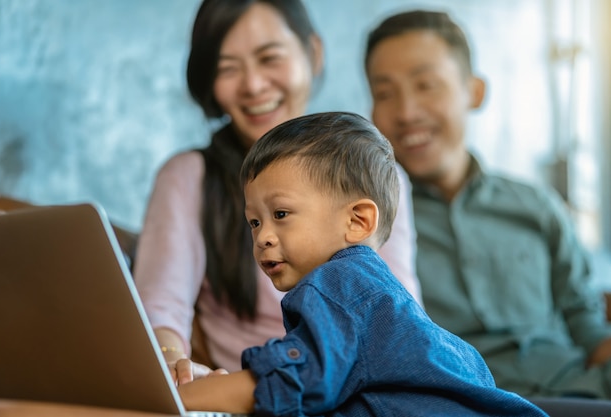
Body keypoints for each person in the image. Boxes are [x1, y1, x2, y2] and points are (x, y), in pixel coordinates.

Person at [173, 111, 546, 416]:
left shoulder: (344, 285)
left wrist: (181, 398)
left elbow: (291, 383)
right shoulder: (367, 292)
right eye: (254, 222)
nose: (263, 236)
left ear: (358, 221)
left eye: (281, 213)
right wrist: (217, 388)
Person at [133, 0, 421, 378]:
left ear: (312, 54)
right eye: (227, 68)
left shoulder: (375, 177)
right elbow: (160, 308)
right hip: (254, 391)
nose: (252, 85)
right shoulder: (190, 177)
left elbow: (396, 318)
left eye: (269, 58)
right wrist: (174, 365)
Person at [364, 9, 611, 399]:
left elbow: (585, 318)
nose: (407, 112)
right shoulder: (370, 228)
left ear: (474, 91)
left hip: (581, 390)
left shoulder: (535, 204)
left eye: (426, 85)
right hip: (464, 402)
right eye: (384, 94)